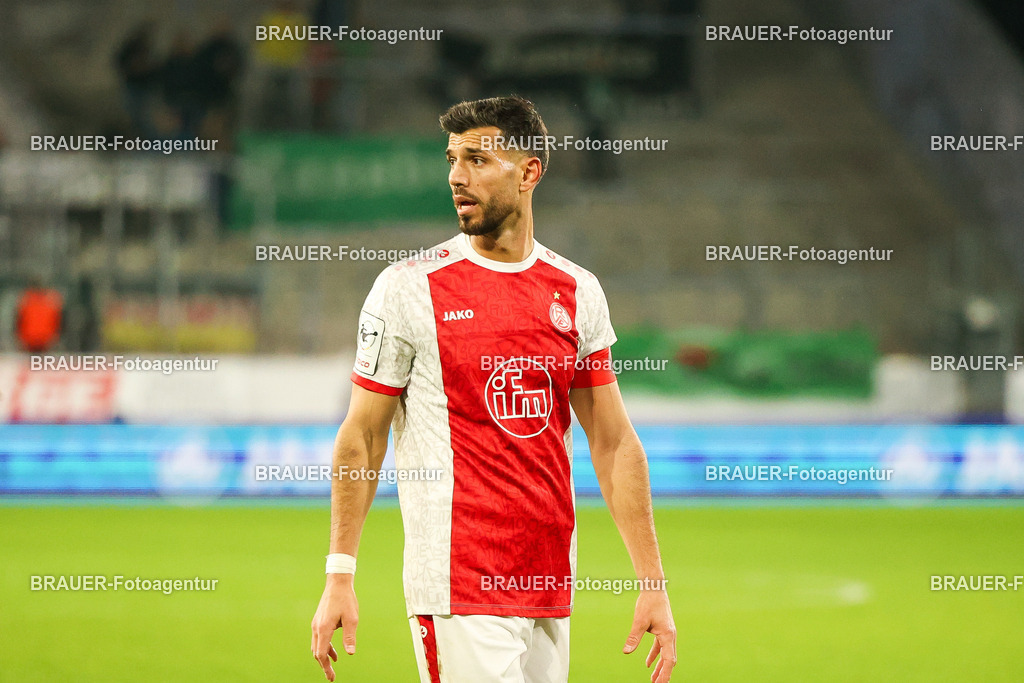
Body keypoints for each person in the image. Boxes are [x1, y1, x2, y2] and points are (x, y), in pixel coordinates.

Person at [310, 96, 677, 683]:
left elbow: (613, 442)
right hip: (458, 584)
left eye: (478, 159)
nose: (457, 175)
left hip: (549, 584)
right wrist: (339, 574)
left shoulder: (577, 291)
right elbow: (362, 435)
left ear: (530, 171)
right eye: (453, 159)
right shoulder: (407, 288)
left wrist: (652, 583)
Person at [16, 278, 63, 353]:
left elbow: (19, 321)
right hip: (45, 338)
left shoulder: (25, 299)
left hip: (30, 338)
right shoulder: (52, 300)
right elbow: (58, 322)